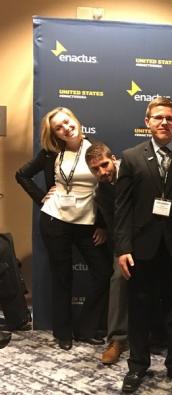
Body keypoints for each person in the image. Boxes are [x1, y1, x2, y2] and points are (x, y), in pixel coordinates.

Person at [114, 97, 172, 393]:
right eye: (158, 117)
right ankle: (137, 366)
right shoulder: (131, 157)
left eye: (169, 118)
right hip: (141, 249)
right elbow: (122, 208)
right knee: (139, 310)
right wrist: (123, 248)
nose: (164, 122)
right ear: (147, 122)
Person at [15, 107, 112, 351]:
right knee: (62, 277)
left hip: (87, 223)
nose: (66, 128)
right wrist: (41, 197)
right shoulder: (51, 154)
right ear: (55, 133)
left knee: (103, 272)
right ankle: (63, 332)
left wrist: (102, 225)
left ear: (75, 120)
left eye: (67, 122)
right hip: (55, 220)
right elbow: (22, 175)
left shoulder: (95, 149)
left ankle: (86, 329)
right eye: (58, 127)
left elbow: (106, 187)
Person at [85, 141, 128, 364]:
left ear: (113, 159)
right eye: (96, 169)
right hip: (124, 242)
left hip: (152, 236)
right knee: (118, 279)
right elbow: (112, 224)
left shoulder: (133, 169)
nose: (102, 172)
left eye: (104, 165)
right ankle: (117, 339)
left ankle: (160, 335)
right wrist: (122, 251)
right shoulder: (100, 192)